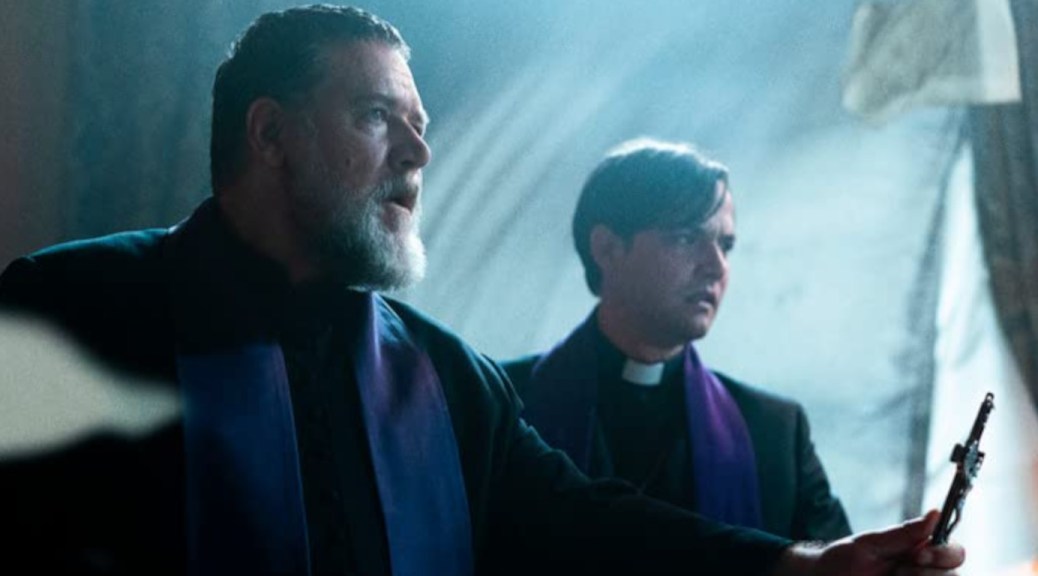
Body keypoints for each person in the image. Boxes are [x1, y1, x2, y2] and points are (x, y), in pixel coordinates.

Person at [0, 5, 964, 576]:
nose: (420, 154)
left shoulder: (443, 376)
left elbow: (586, 523)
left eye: (420, 127)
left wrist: (797, 563)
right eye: (378, 116)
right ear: (270, 134)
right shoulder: (73, 310)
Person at [503, 139, 851, 541]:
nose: (716, 266)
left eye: (725, 245)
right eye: (686, 238)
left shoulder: (773, 435)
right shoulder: (501, 406)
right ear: (607, 248)